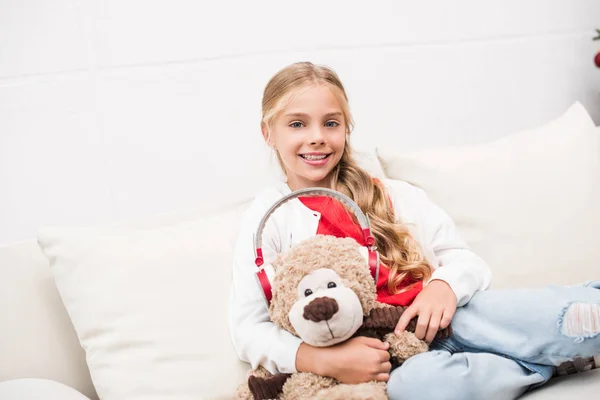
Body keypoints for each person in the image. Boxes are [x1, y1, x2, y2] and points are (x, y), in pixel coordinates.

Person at [227, 61, 600, 400]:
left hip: (453, 320)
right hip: (397, 361)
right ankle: (549, 362)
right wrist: (322, 361)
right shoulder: (269, 218)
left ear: (346, 128)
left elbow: (467, 261)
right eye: (297, 124)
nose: (317, 137)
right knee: (419, 389)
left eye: (331, 123)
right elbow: (248, 328)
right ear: (268, 133)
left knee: (545, 316)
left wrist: (444, 286)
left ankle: (579, 320)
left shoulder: (391, 195)